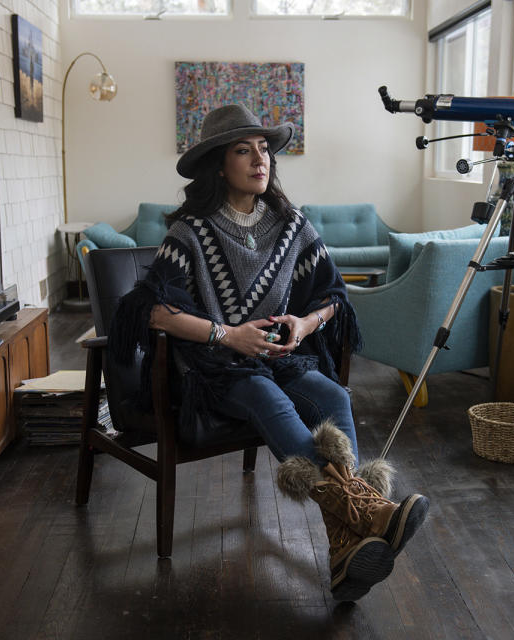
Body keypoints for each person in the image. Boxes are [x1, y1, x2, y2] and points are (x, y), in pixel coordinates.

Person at [109, 104, 429, 602]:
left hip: (281, 357)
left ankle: (346, 544)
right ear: (219, 164)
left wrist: (304, 323)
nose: (260, 159)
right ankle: (369, 512)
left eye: (264, 149)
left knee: (334, 398)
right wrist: (226, 335)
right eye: (244, 150)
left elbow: (332, 296)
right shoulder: (189, 232)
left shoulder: (292, 225)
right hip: (212, 368)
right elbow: (152, 313)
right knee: (266, 398)